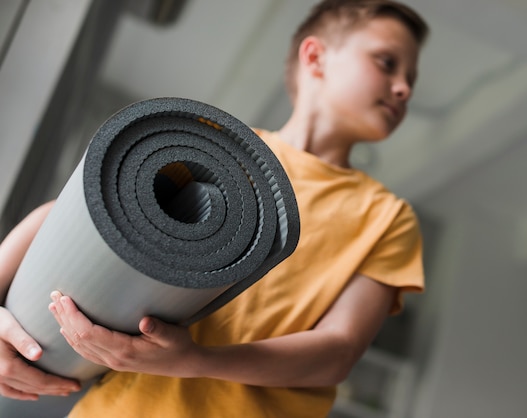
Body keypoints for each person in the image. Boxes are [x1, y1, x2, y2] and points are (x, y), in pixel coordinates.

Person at [0, 0, 429, 416]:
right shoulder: (214, 148)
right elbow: (81, 215)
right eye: (387, 63)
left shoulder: (387, 217)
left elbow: (338, 352)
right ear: (316, 57)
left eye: (410, 76)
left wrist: (194, 361)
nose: (404, 87)